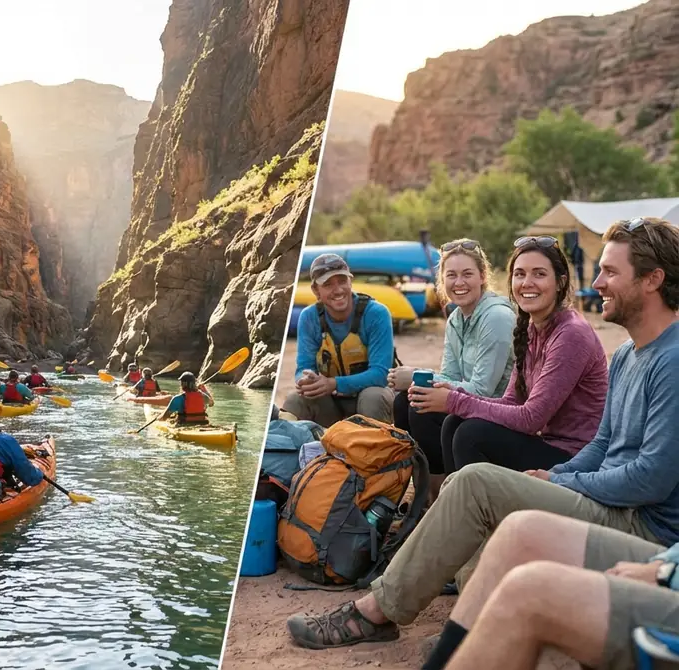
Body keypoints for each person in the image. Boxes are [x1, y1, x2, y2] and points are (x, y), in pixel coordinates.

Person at [285, 218, 679, 650]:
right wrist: (555, 476)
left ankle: (380, 614)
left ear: (652, 280)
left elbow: (649, 479)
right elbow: (603, 444)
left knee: (474, 473)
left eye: (610, 272)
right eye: (599, 270)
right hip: (602, 493)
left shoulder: (669, 360)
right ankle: (466, 623)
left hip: (642, 526)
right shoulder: (625, 354)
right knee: (462, 478)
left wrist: (562, 479)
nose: (598, 282)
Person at [408, 236, 608, 476]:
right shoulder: (532, 329)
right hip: (546, 442)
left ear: (560, 282)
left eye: (539, 274)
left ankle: (480, 509)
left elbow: (531, 418)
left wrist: (454, 401)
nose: (527, 283)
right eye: (520, 274)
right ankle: (458, 504)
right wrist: (451, 393)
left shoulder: (571, 334)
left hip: (574, 457)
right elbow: (512, 401)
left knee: (472, 435)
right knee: (454, 422)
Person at [419, 510, 679, 670]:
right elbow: (602, 447)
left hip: (640, 518)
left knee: (529, 593)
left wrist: (665, 573)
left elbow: (647, 478)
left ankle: (382, 609)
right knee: (521, 532)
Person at [389, 239, 515, 498]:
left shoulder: (496, 317)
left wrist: (416, 376)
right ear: (442, 281)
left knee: (422, 409)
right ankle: (421, 492)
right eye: (452, 275)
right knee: (405, 401)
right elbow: (450, 376)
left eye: (467, 274)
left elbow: (483, 389)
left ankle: (441, 498)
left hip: (500, 410)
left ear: (482, 276)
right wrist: (419, 379)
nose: (459, 283)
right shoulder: (457, 318)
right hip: (469, 401)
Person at [282, 253, 396, 425]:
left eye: (342, 281)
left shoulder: (376, 314)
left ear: (351, 281)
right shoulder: (309, 317)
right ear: (316, 291)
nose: (338, 290)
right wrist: (305, 381)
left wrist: (334, 384)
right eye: (328, 284)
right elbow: (303, 367)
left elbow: (381, 374)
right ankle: (310, 448)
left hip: (371, 395)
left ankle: (373, 448)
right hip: (331, 402)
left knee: (372, 397)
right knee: (295, 400)